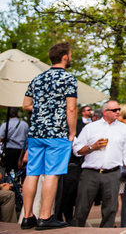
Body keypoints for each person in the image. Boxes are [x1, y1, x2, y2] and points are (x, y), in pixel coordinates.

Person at [21, 41, 77, 230]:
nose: (70, 57)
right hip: (57, 133)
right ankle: (45, 217)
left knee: (32, 173)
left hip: (36, 133)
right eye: (70, 54)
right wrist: (72, 132)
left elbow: (25, 105)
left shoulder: (37, 79)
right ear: (64, 57)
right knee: (52, 174)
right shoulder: (68, 79)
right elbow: (71, 108)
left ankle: (28, 217)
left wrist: (42, 107)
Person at [72, 99, 126, 228]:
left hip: (112, 173)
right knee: (81, 208)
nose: (118, 112)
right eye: (114, 110)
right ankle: (76, 230)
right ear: (105, 112)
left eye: (119, 109)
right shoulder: (90, 127)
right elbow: (76, 150)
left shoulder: (123, 128)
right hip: (90, 173)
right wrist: (92, 147)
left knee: (110, 210)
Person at [0, 107, 28, 174]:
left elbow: (0, 138)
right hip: (21, 151)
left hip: (8, 150)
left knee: (7, 171)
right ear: (17, 113)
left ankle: (8, 182)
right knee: (19, 171)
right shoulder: (25, 125)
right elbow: (27, 139)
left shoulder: (5, 125)